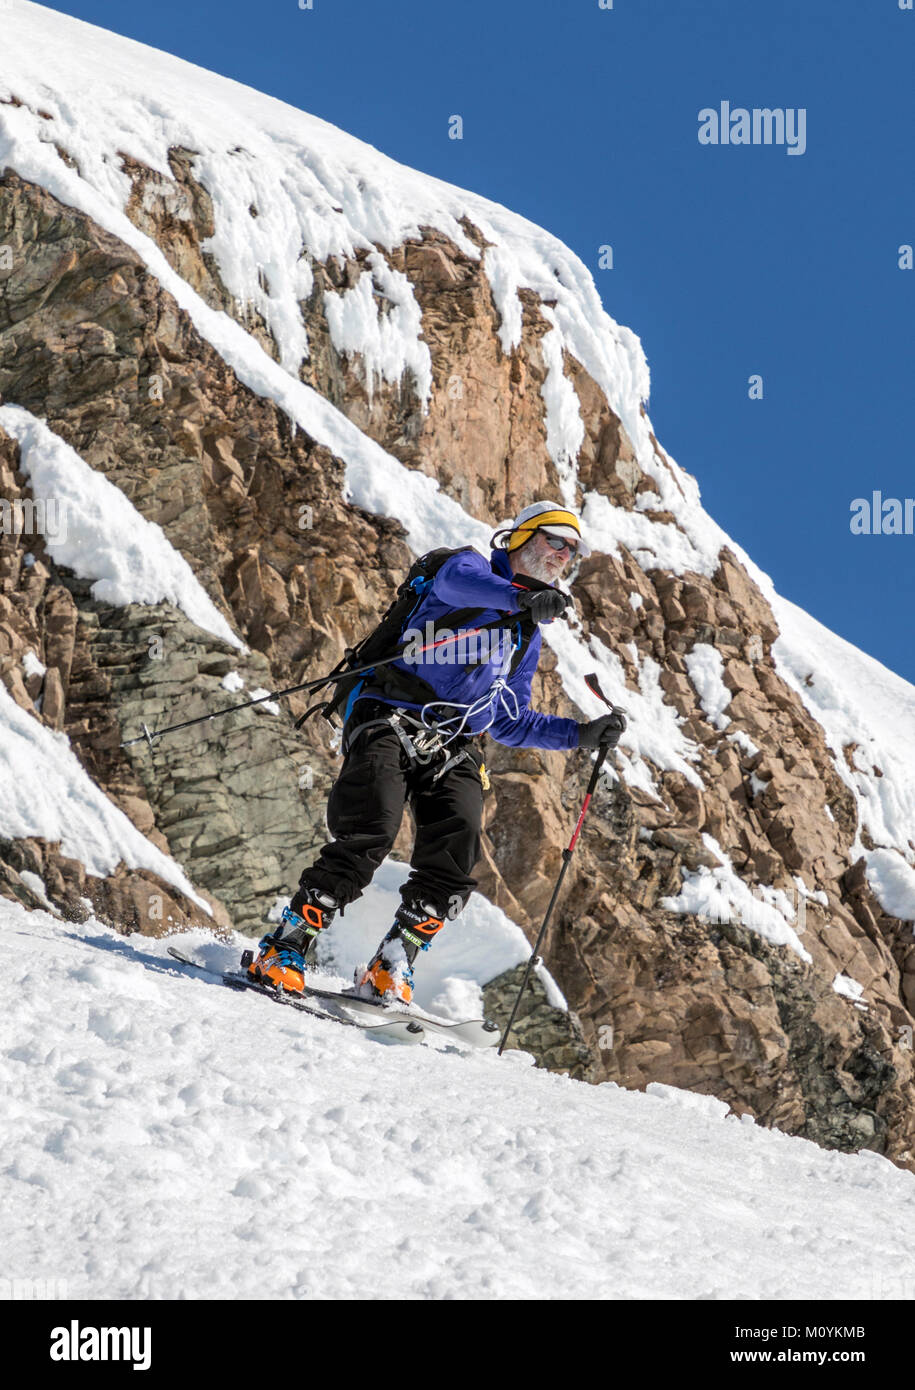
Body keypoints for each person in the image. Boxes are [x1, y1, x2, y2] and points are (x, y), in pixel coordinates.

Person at [248, 501, 627, 1003]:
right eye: (556, 540)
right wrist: (519, 598)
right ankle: (285, 946)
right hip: (389, 713)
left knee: (455, 855)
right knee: (371, 830)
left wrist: (581, 735)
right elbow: (454, 587)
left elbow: (508, 720)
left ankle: (392, 963)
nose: (564, 554)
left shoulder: (525, 633)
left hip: (454, 744)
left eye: (573, 551)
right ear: (521, 537)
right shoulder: (466, 566)